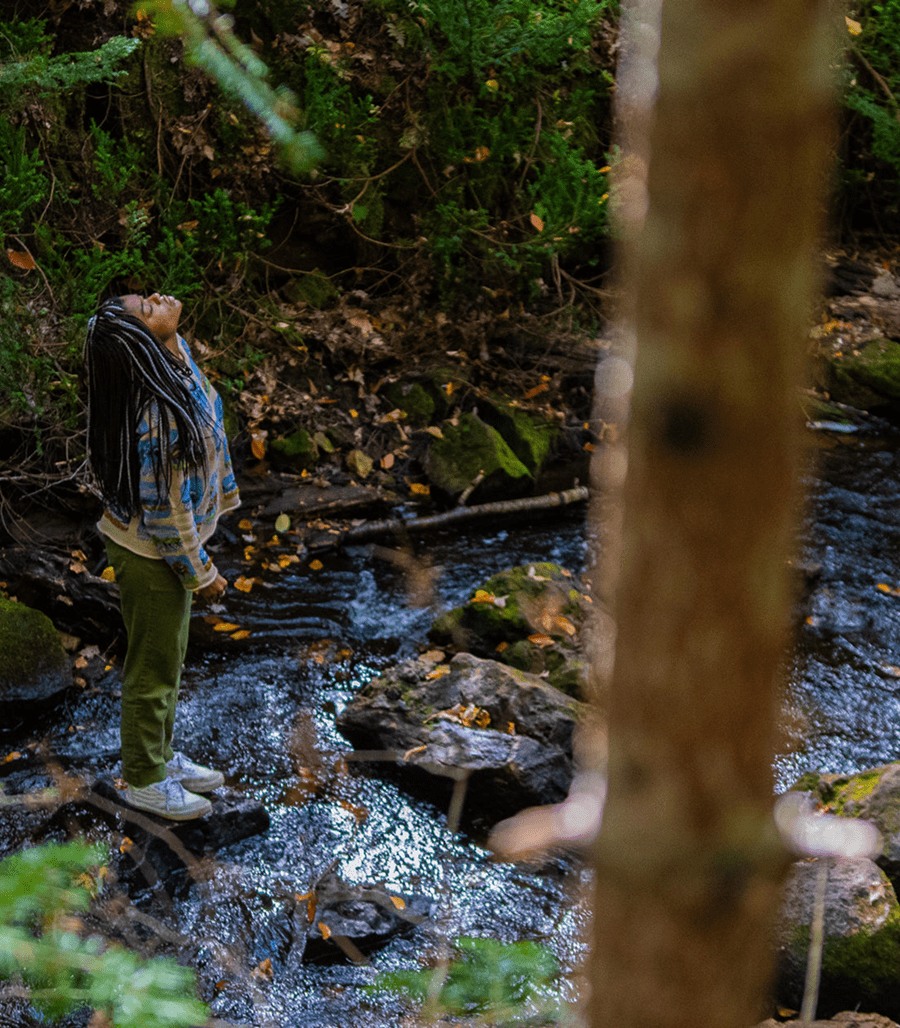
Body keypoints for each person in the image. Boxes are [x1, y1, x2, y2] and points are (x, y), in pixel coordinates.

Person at [84, 292, 240, 820]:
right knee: (152, 668)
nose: (155, 298)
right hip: (153, 552)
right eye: (144, 308)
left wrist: (168, 336)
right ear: (139, 344)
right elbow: (166, 513)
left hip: (162, 546)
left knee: (169, 659)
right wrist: (203, 574)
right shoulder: (155, 414)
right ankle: (143, 780)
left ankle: (161, 757)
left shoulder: (163, 374)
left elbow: (199, 392)